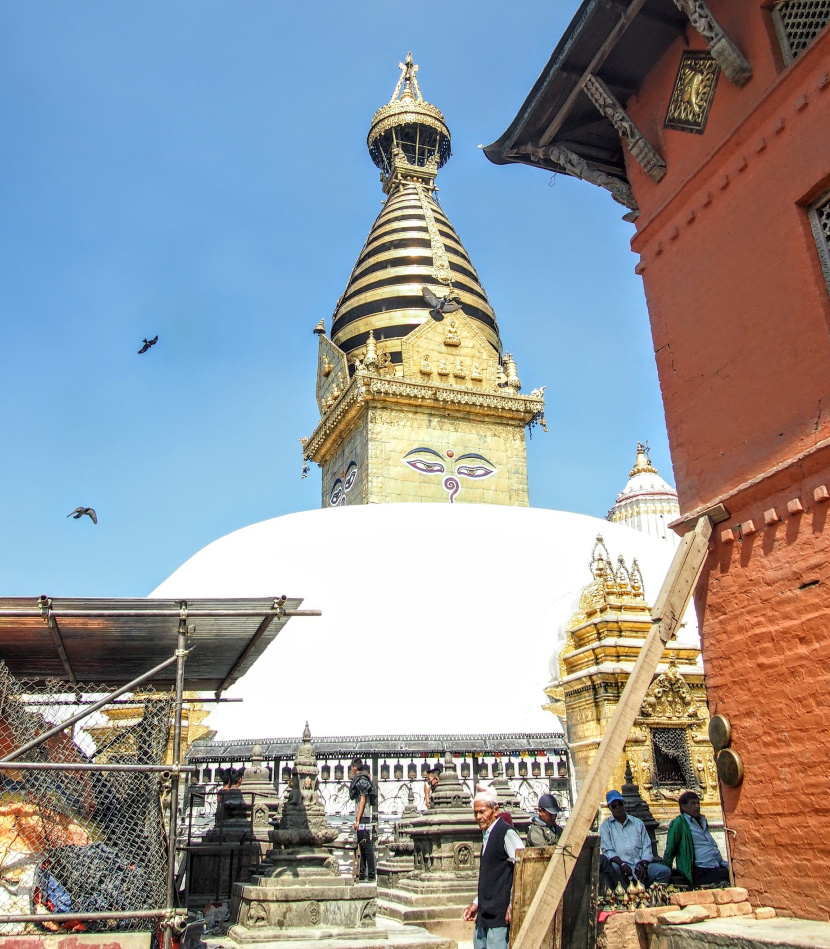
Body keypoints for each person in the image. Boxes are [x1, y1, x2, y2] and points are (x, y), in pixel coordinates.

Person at [463, 789, 525, 949]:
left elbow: (522, 867)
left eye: (482, 812)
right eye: (475, 813)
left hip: (500, 914)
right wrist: (476, 903)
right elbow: (490, 876)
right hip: (484, 913)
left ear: (495, 810)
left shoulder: (506, 833)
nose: (478, 817)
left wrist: (513, 905)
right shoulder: (487, 834)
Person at [599, 790, 671, 886]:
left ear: (624, 804)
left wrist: (644, 865)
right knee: (614, 868)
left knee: (664, 871)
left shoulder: (637, 823)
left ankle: (654, 894)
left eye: (620, 804)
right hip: (621, 868)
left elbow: (647, 846)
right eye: (614, 806)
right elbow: (608, 851)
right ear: (610, 808)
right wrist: (622, 864)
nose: (618, 807)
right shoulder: (605, 827)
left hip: (639, 866)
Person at [662, 790, 730, 886]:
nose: (697, 806)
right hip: (699, 869)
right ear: (684, 807)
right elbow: (670, 848)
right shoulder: (679, 823)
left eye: (698, 803)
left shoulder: (703, 821)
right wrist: (665, 872)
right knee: (724, 875)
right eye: (693, 803)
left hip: (716, 864)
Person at [348, 758, 376, 883]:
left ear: (354, 767)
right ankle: (362, 873)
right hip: (361, 818)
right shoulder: (361, 779)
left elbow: (363, 800)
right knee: (362, 845)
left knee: (367, 845)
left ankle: (371, 874)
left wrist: (358, 820)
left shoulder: (362, 781)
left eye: (351, 768)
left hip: (363, 818)